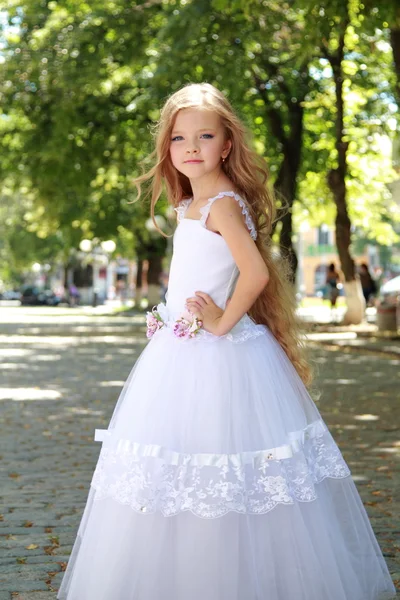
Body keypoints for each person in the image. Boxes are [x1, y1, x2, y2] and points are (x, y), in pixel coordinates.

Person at [57, 84, 396, 600]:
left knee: (222, 467)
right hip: (177, 356)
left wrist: (220, 322)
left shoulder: (220, 205)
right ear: (167, 148)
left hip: (218, 359)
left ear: (226, 145)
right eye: (179, 138)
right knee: (180, 468)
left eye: (204, 136)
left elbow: (254, 272)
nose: (190, 147)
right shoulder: (187, 204)